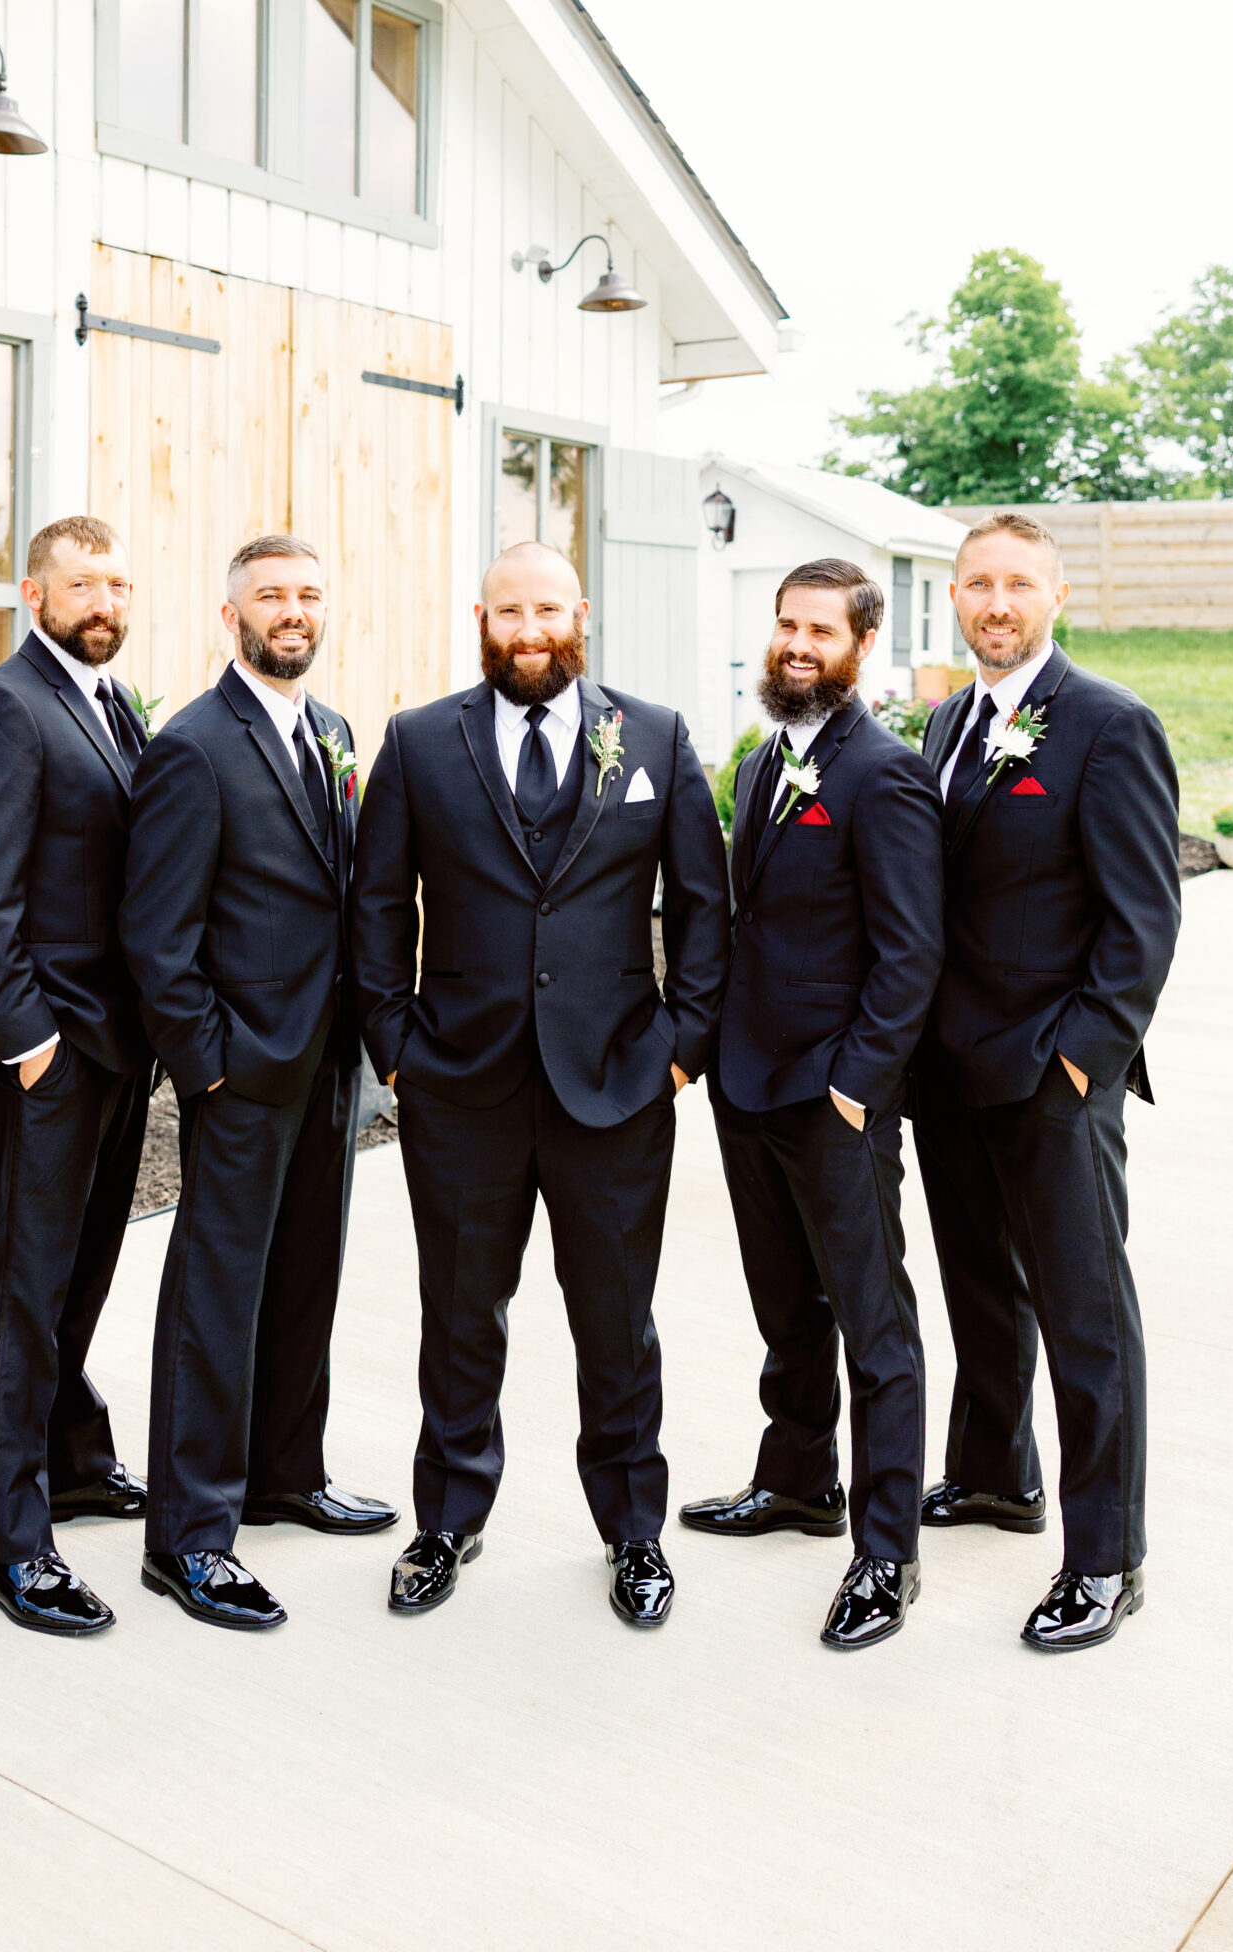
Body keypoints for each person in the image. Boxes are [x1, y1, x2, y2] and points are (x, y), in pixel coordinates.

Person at [351, 541, 729, 1628]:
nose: (529, 629)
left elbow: (704, 901)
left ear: (582, 613)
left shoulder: (651, 735)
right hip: (457, 1083)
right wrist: (393, 1043)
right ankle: (448, 1518)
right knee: (461, 1313)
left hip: (617, 1082)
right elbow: (378, 903)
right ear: (482, 617)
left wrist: (682, 1042)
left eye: (547, 609)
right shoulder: (423, 741)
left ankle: (634, 1533)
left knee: (616, 1319)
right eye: (509, 610)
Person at [913, 510, 1181, 1651]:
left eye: (1018, 582)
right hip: (949, 1074)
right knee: (980, 1289)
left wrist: (1082, 1060)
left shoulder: (1110, 725)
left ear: (1056, 595)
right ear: (957, 597)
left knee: (1087, 1317)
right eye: (977, 583)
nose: (995, 602)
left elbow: (1143, 925)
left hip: (1052, 1077)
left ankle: (1108, 1557)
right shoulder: (942, 725)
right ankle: (993, 1474)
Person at [119, 534, 397, 1631]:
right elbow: (157, 929)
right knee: (216, 1293)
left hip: (328, 1061)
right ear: (229, 614)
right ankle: (188, 1534)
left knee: (305, 1276)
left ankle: (286, 1471)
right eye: (271, 595)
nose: (293, 610)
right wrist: (208, 1063)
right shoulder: (193, 745)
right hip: (242, 1068)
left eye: (308, 594)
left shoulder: (329, 731)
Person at [679, 560, 944, 1650]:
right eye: (785, 624)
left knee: (873, 1322)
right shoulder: (761, 766)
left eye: (818, 629)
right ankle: (795, 1481)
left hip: (832, 1098)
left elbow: (911, 952)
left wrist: (855, 1087)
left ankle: (886, 1550)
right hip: (749, 1087)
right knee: (787, 1307)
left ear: (861, 643)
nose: (795, 643)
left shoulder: (881, 774)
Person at [0, 516, 154, 1638]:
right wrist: (25, 1040)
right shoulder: (2, 709)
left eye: (117, 579)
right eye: (81, 582)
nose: (104, 598)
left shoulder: (115, 705)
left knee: (82, 1277)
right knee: (23, 1291)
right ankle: (7, 1542)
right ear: (35, 592)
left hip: (120, 1050)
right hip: (49, 1058)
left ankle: (71, 1461)